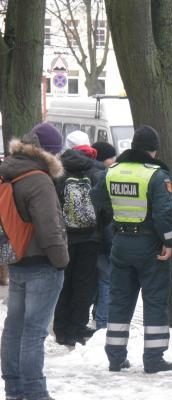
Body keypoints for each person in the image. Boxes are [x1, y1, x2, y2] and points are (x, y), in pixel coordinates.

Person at [92, 125, 172, 374]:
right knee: (154, 302)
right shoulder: (157, 175)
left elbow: (97, 200)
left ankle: (116, 358)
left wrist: (117, 214)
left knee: (119, 300)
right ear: (154, 150)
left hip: (120, 243)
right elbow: (164, 214)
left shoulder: (112, 171)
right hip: (150, 246)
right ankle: (153, 359)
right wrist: (169, 242)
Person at [0, 123, 69, 400]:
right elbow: (49, 226)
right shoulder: (38, 179)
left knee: (14, 326)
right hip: (41, 261)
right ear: (50, 153)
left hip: (15, 258)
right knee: (33, 332)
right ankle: (35, 391)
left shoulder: (8, 171)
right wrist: (61, 260)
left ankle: (14, 388)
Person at [53, 130, 101, 347]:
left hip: (65, 238)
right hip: (90, 237)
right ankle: (77, 328)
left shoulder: (56, 171)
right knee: (84, 285)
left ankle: (61, 329)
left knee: (64, 283)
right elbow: (103, 205)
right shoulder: (95, 170)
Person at [90, 141, 117, 330]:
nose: (114, 160)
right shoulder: (103, 176)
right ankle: (102, 322)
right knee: (106, 280)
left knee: (95, 281)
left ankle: (95, 316)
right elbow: (106, 213)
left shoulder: (87, 171)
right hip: (104, 239)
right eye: (111, 157)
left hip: (90, 239)